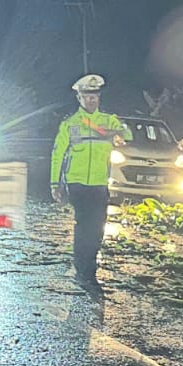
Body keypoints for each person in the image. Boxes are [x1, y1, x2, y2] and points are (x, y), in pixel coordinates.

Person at [51, 74, 132, 287]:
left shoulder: (108, 121)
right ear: (79, 98)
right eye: (86, 96)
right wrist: (55, 183)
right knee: (83, 225)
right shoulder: (70, 124)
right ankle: (83, 270)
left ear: (99, 97)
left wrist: (117, 133)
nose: (91, 100)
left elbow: (128, 134)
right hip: (77, 183)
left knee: (97, 228)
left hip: (99, 183)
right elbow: (58, 153)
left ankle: (89, 266)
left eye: (94, 96)